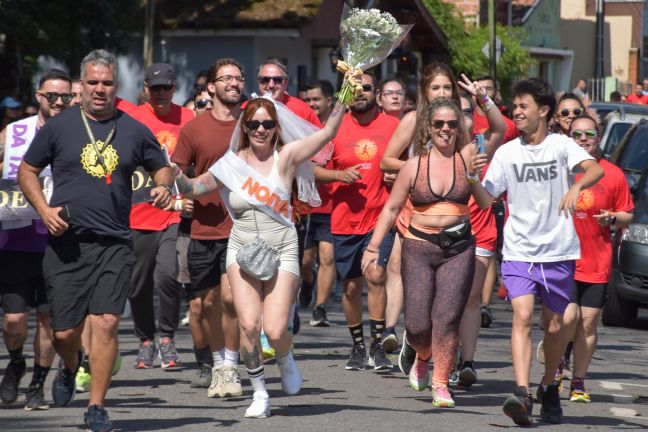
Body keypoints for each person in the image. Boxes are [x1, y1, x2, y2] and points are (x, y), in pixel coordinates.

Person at [18, 49, 173, 431]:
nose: (99, 89)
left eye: (107, 83)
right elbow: (27, 170)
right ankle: (70, 367)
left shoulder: (134, 128)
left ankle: (97, 407)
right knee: (64, 332)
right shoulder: (60, 126)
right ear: (80, 86)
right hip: (67, 243)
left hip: (115, 243)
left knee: (105, 323)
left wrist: (163, 187)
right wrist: (44, 210)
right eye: (92, 83)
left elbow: (163, 167)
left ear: (115, 86)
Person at [171, 93, 346, 418]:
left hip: (281, 246)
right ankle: (260, 392)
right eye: (254, 124)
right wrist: (170, 173)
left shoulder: (288, 157)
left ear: (276, 127)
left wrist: (344, 95)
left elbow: (327, 134)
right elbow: (194, 187)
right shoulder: (231, 164)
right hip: (242, 248)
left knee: (277, 329)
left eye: (267, 124)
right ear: (245, 127)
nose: (261, 129)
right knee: (249, 325)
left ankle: (285, 357)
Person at [468, 77, 604, 425]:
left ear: (543, 111)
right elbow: (487, 199)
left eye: (523, 106)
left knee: (557, 325)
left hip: (558, 251)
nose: (517, 112)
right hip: (519, 250)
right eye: (514, 106)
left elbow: (595, 168)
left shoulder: (561, 146)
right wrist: (471, 179)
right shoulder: (508, 152)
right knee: (523, 316)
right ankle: (523, 393)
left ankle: (549, 387)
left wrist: (576, 187)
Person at [362, 97, 493, 407]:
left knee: (447, 319)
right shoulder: (413, 165)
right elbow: (392, 207)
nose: (445, 129)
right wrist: (372, 247)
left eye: (451, 124)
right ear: (428, 128)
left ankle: (441, 382)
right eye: (438, 124)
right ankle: (422, 355)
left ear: (459, 127)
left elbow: (487, 201)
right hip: (418, 247)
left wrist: (484, 103)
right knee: (419, 324)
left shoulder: (468, 160)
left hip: (458, 249)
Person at [380, 63, 463, 369]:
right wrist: (410, 173)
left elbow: (469, 161)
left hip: (450, 210)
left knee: (443, 284)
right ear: (425, 91)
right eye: (436, 88)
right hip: (415, 204)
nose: (442, 93)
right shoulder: (414, 120)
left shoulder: (457, 123)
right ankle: (400, 331)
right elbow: (385, 159)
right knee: (399, 265)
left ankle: (427, 344)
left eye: (447, 87)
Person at [171, 58, 245, 398]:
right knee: (208, 303)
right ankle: (217, 364)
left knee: (230, 299)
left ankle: (230, 367)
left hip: (242, 227)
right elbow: (176, 170)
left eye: (238, 77)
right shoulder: (193, 129)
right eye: (226, 78)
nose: (234, 82)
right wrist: (178, 194)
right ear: (211, 87)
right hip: (202, 229)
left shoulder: (253, 123)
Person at [0, 68, 71, 411]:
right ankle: (16, 363)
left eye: (65, 96)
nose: (58, 102)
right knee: (14, 321)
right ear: (39, 96)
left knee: (49, 320)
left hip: (58, 242)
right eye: (51, 96)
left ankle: (39, 384)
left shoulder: (80, 133)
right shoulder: (14, 133)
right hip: (15, 240)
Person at [325, 73, 399, 372]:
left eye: (366, 88)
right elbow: (312, 169)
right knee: (352, 288)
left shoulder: (393, 127)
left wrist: (397, 175)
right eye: (353, 88)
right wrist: (338, 175)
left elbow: (411, 164)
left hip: (379, 218)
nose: (360, 93)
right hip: (344, 219)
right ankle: (357, 346)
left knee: (376, 275)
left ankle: (378, 345)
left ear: (377, 94)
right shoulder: (333, 128)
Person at [562, 115, 634, 403]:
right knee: (567, 319)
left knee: (588, 322)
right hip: (563, 259)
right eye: (576, 134)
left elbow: (628, 212)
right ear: (569, 138)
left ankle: (578, 381)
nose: (583, 139)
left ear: (598, 136)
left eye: (588, 133)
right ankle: (556, 369)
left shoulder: (613, 174)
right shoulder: (561, 170)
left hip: (596, 260)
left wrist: (613, 218)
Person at [128, 63, 195, 371]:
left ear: (173, 88)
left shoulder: (189, 118)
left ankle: (166, 337)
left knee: (168, 275)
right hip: (136, 213)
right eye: (155, 88)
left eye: (166, 88)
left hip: (174, 213)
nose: (160, 94)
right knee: (138, 285)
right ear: (146, 89)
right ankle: (145, 341)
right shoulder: (131, 118)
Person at [300, 80, 336, 327]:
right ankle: (308, 280)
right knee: (304, 260)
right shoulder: (300, 127)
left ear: (329, 101)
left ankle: (320, 308)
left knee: (327, 256)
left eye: (317, 99)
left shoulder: (338, 127)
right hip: (304, 205)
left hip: (332, 205)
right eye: (308, 99)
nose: (312, 104)